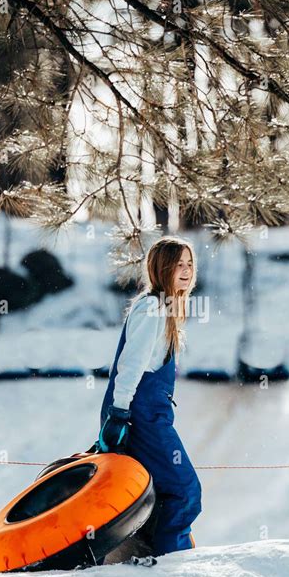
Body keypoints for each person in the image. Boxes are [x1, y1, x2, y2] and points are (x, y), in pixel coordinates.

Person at [94, 236, 202, 557]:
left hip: (152, 415)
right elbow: (131, 365)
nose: (185, 270)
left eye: (189, 264)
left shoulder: (168, 309)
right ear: (162, 268)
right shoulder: (152, 307)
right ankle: (171, 560)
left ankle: (148, 552)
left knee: (161, 489)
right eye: (178, 264)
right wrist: (118, 414)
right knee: (185, 490)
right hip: (139, 417)